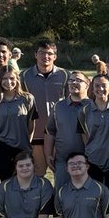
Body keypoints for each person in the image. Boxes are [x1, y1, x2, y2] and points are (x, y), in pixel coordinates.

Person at [80, 74, 109, 217]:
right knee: (94, 195)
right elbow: (84, 134)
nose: (101, 89)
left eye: (104, 86)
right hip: (93, 160)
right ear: (92, 89)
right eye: (97, 86)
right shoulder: (85, 110)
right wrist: (93, 149)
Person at [21, 38, 67, 178]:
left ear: (55, 56)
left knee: (61, 176)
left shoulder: (65, 75)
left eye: (49, 53)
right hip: (35, 134)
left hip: (59, 135)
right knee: (36, 177)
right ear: (35, 54)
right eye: (41, 52)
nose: (45, 56)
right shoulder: (23, 76)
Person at [0, 67, 36, 191]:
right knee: (7, 184)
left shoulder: (27, 99)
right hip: (2, 148)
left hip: (22, 147)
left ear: (17, 79)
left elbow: (31, 125)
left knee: (25, 182)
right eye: (4, 78)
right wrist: (3, 142)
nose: (8, 82)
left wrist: (26, 144)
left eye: (12, 78)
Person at [45, 71, 91, 188]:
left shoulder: (92, 106)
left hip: (88, 162)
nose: (74, 82)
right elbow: (50, 131)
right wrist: (48, 154)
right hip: (62, 161)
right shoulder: (58, 107)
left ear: (87, 84)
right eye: (71, 80)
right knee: (61, 195)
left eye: (79, 80)